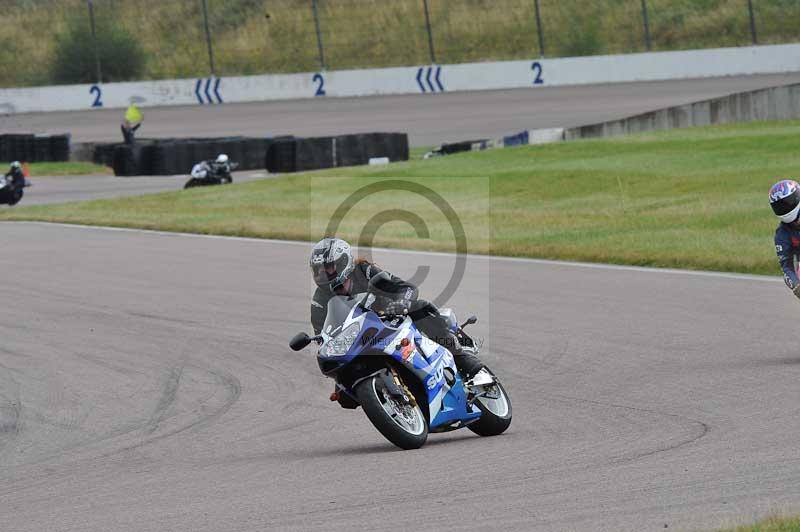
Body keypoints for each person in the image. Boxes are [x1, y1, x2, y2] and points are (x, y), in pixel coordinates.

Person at [309, 237, 484, 379]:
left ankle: (461, 358)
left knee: (420, 308)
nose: (322, 274)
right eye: (318, 270)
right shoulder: (319, 300)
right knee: (343, 394)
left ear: (343, 262)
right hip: (361, 337)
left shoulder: (363, 270)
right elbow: (323, 334)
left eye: (328, 268)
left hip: (391, 316)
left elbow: (407, 288)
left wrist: (401, 303)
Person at [769, 179, 800, 297]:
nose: (784, 208)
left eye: (787, 203)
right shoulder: (782, 235)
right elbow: (786, 266)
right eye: (779, 206)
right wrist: (796, 286)